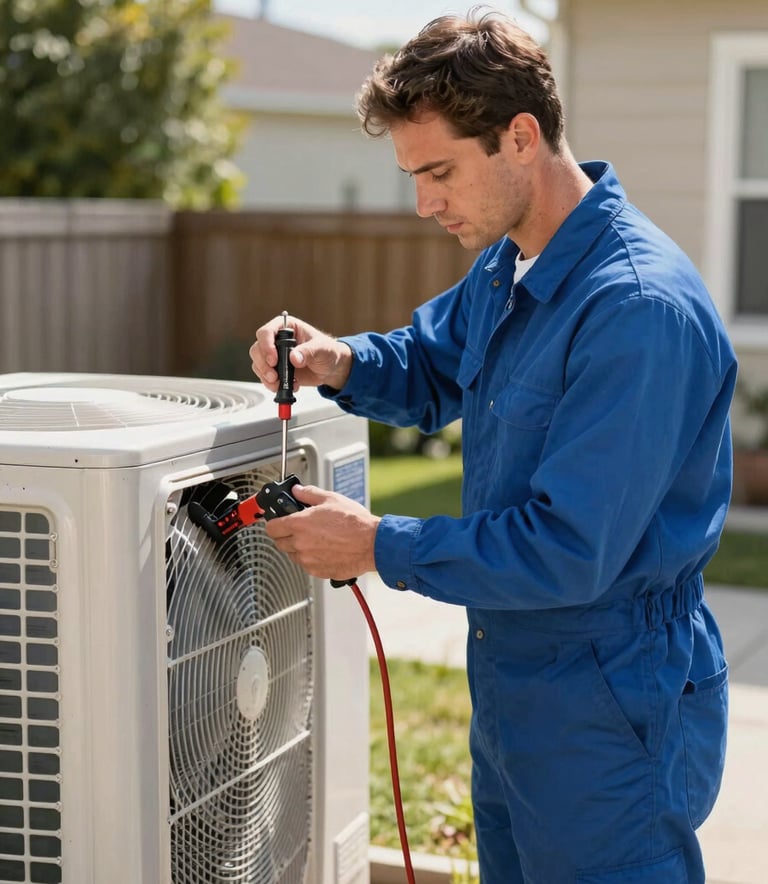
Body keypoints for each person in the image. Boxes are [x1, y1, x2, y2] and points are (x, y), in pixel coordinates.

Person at [250, 8, 736, 883]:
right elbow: (437, 364)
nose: (424, 202)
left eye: (438, 171)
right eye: (411, 175)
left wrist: (377, 543)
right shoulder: (514, 261)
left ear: (520, 136)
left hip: (611, 701)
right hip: (515, 681)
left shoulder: (634, 310)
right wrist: (340, 359)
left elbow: (567, 549)